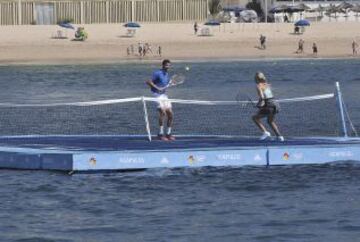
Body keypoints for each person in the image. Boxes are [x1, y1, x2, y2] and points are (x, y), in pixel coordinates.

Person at [146, 59, 175, 141]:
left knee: (170, 114)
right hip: (156, 95)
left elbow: (166, 84)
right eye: (166, 65)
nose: (168, 67)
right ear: (163, 65)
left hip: (164, 96)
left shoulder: (167, 75)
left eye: (169, 65)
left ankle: (168, 134)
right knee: (162, 112)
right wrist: (157, 88)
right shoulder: (157, 73)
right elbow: (148, 81)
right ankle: (160, 134)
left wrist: (170, 83)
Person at [252, 72, 284, 141]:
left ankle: (265, 132)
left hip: (269, 105)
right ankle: (280, 137)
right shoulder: (267, 84)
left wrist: (259, 103)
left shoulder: (258, 86)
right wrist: (260, 104)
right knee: (270, 121)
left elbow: (262, 97)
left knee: (254, 118)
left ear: (256, 79)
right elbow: (268, 96)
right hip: (275, 104)